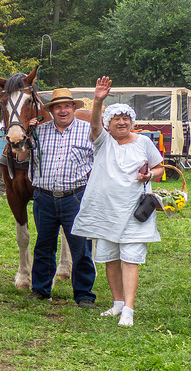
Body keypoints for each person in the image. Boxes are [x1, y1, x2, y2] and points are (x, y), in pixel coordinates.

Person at [73, 77, 162, 327]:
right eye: (116, 119)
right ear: (108, 124)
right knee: (110, 259)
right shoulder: (103, 141)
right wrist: (99, 100)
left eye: (126, 118)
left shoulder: (144, 142)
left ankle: (129, 310)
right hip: (106, 210)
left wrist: (149, 175)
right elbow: (92, 125)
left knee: (130, 259)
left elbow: (159, 168)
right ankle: (117, 303)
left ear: (131, 122)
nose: (122, 122)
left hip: (136, 212)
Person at [23, 87, 97, 307]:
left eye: (67, 106)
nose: (62, 111)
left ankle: (84, 294)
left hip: (75, 196)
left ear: (74, 108)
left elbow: (102, 159)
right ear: (52, 110)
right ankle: (41, 290)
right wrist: (27, 132)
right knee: (43, 246)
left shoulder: (88, 131)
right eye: (58, 107)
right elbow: (22, 155)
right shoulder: (40, 131)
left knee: (81, 247)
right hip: (44, 197)